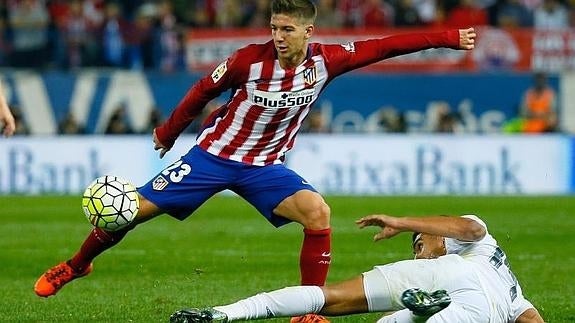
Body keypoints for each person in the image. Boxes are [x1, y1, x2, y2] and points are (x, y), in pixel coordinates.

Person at [34, 0, 475, 320]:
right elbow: (201, 92)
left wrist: (448, 38)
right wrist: (169, 132)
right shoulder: (247, 60)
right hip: (213, 156)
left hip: (265, 167)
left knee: (317, 213)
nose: (278, 37)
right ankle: (76, 265)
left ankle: (310, 307)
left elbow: (386, 46)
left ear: (307, 32)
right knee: (127, 212)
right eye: (274, 28)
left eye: (286, 29)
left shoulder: (329, 61)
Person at [170, 214, 545, 323]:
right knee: (354, 310)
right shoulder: (512, 290)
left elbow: (471, 227)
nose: (417, 253)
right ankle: (418, 314)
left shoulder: (468, 238)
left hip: (454, 283)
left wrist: (402, 222)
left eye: (420, 243)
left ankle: (225, 313)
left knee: (328, 298)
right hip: (483, 311)